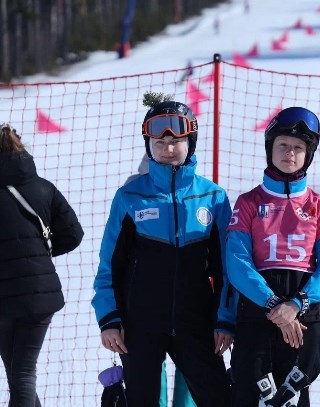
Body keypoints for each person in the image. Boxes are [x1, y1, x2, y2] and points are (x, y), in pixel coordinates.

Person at [92, 94, 236, 406]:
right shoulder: (129, 196)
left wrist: (225, 319)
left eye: (175, 142)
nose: (168, 150)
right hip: (139, 327)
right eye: (159, 143)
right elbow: (109, 266)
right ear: (149, 146)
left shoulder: (213, 197)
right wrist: (109, 318)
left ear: (190, 142)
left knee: (219, 399)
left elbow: (227, 269)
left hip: (197, 323)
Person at [226, 106, 320, 407]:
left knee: (294, 396)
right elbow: (237, 262)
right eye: (283, 145)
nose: (290, 153)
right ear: (270, 148)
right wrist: (274, 305)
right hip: (259, 308)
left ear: (308, 154)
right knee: (250, 394)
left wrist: (296, 305)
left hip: (305, 311)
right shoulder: (249, 202)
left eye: (298, 147)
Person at [0, 124, 84, 406]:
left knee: (20, 373)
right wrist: (40, 254)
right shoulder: (44, 187)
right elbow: (74, 234)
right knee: (21, 373)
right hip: (40, 292)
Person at [124, 153, 197, 407]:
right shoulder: (131, 193)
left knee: (191, 368)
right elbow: (116, 257)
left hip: (187, 301)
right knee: (150, 374)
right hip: (145, 303)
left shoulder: (195, 190)